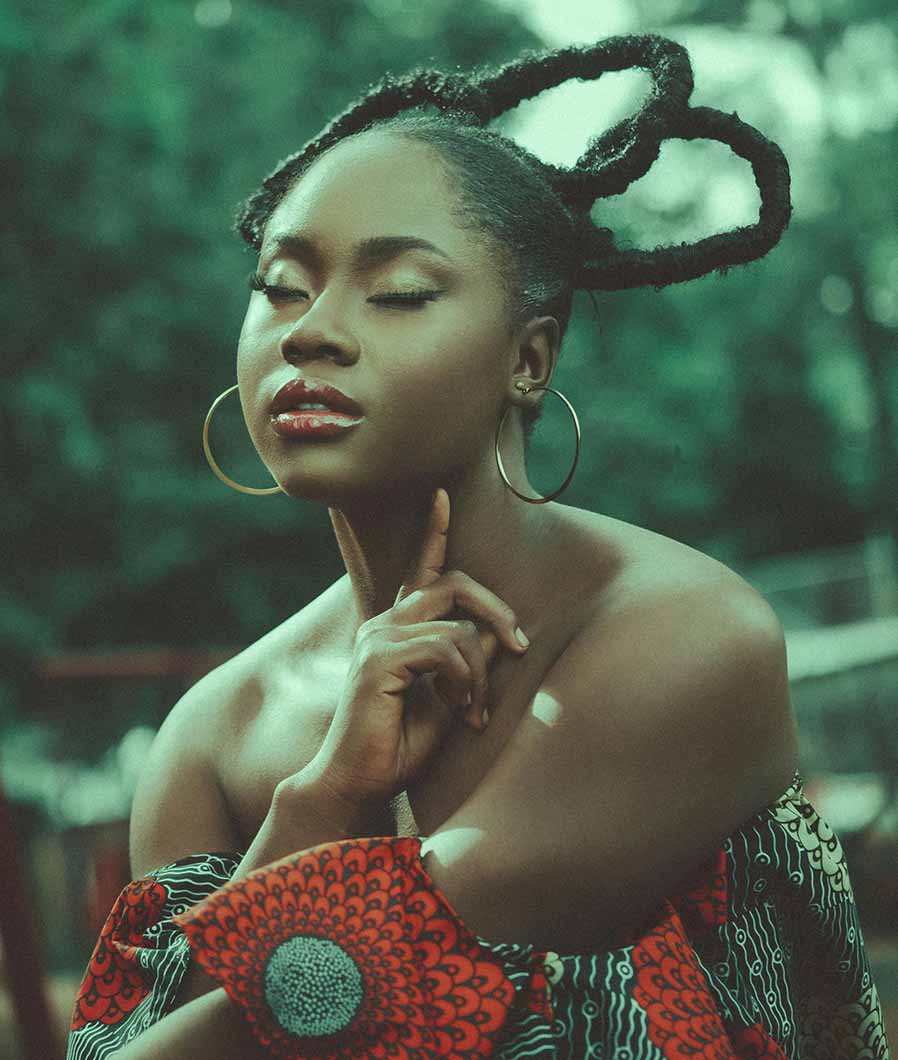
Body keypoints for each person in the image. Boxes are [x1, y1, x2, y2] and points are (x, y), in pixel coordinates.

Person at [66, 31, 891, 1060]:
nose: (309, 331)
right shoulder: (223, 729)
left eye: (399, 290)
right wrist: (327, 793)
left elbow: (359, 989)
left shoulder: (682, 636)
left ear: (529, 359)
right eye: (281, 286)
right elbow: (137, 1029)